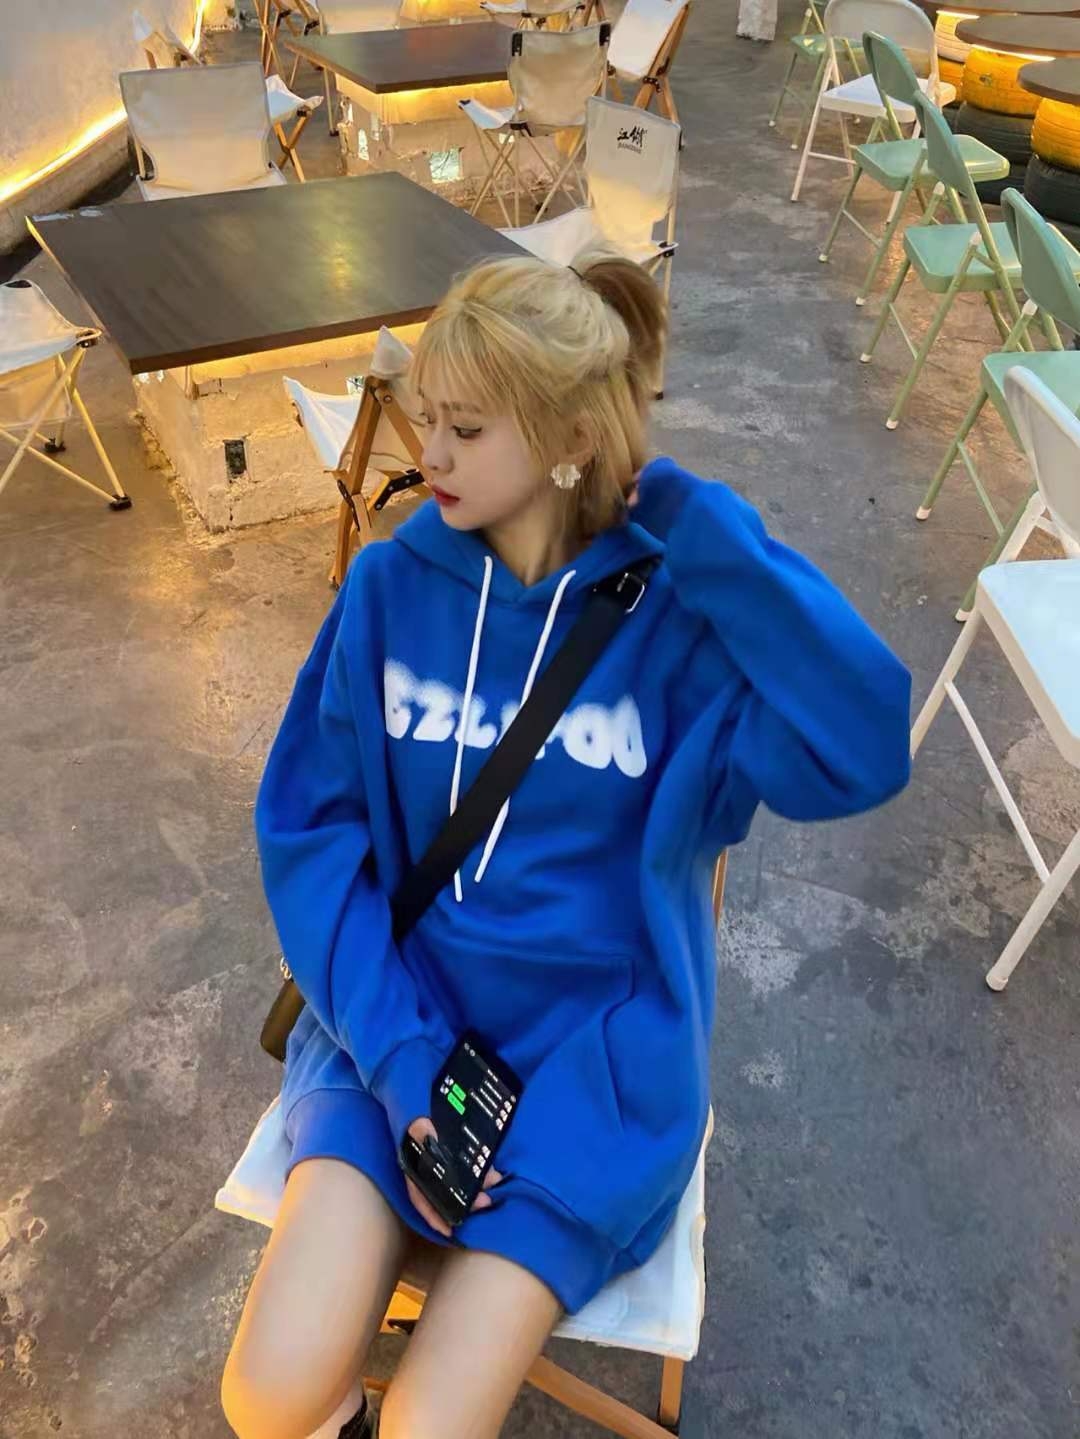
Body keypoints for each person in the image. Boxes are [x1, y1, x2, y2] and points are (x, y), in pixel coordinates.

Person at [221, 251, 912, 1439]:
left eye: (466, 428)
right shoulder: (387, 591)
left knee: (434, 1423)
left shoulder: (682, 630)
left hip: (593, 1067)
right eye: (426, 417)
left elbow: (865, 744)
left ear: (570, 438)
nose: (429, 452)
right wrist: (400, 1057)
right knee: (266, 1390)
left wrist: (696, 521)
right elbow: (311, 835)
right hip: (397, 1019)